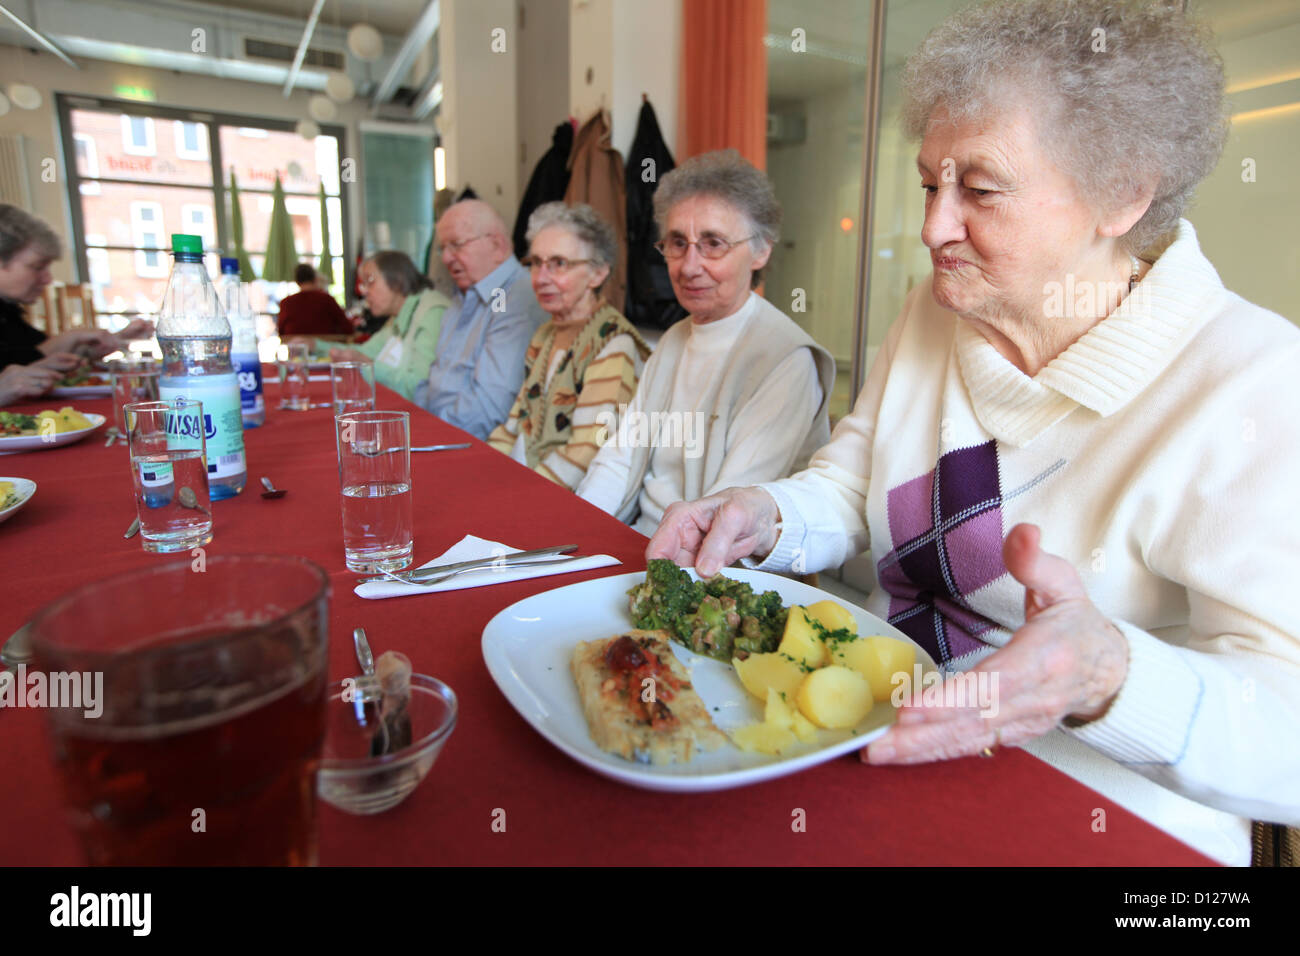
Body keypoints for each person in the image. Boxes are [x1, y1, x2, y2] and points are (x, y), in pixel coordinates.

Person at [646, 0, 1300, 866]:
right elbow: (853, 480)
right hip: (878, 759)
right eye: (928, 183)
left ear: (1122, 192)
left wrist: (1109, 675)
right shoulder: (938, 308)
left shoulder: (1253, 378)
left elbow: (1284, 732)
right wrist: (765, 511)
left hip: (1104, 835)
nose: (932, 227)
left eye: (980, 191)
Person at [576, 150, 835, 536]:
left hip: (704, 565)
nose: (689, 266)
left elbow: (725, 513)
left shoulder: (786, 361)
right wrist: (577, 531)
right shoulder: (674, 339)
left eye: (713, 243)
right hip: (637, 539)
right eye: (677, 243)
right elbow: (620, 455)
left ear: (761, 250)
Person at [487, 203, 650, 490]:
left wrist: (515, 495)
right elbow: (515, 423)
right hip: (523, 479)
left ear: (598, 274)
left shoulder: (614, 343)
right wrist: (483, 473)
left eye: (559, 263)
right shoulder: (545, 334)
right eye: (536, 262)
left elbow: (585, 452)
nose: (541, 277)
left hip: (563, 497)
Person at [413, 199, 546, 439]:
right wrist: (415, 426)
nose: (446, 259)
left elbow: (489, 408)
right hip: (438, 433)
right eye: (443, 249)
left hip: (472, 446)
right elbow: (433, 379)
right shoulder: (462, 297)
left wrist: (425, 435)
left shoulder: (516, 297)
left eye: (457, 245)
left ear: (498, 246)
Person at [1, 204, 147, 375]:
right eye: (37, 267)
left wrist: (109, 342)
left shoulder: (8, 313)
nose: (48, 279)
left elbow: (31, 358)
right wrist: (69, 338)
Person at [328, 251, 449, 402]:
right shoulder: (399, 316)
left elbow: (418, 388)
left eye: (370, 282)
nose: (364, 292)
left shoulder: (432, 312)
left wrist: (367, 365)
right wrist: (315, 346)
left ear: (397, 281)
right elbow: (365, 352)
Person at [276, 263, 353, 337]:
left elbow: (281, 331)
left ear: (297, 282)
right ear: (314, 279)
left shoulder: (286, 303)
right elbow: (347, 328)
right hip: (326, 346)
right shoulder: (326, 299)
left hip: (295, 346)